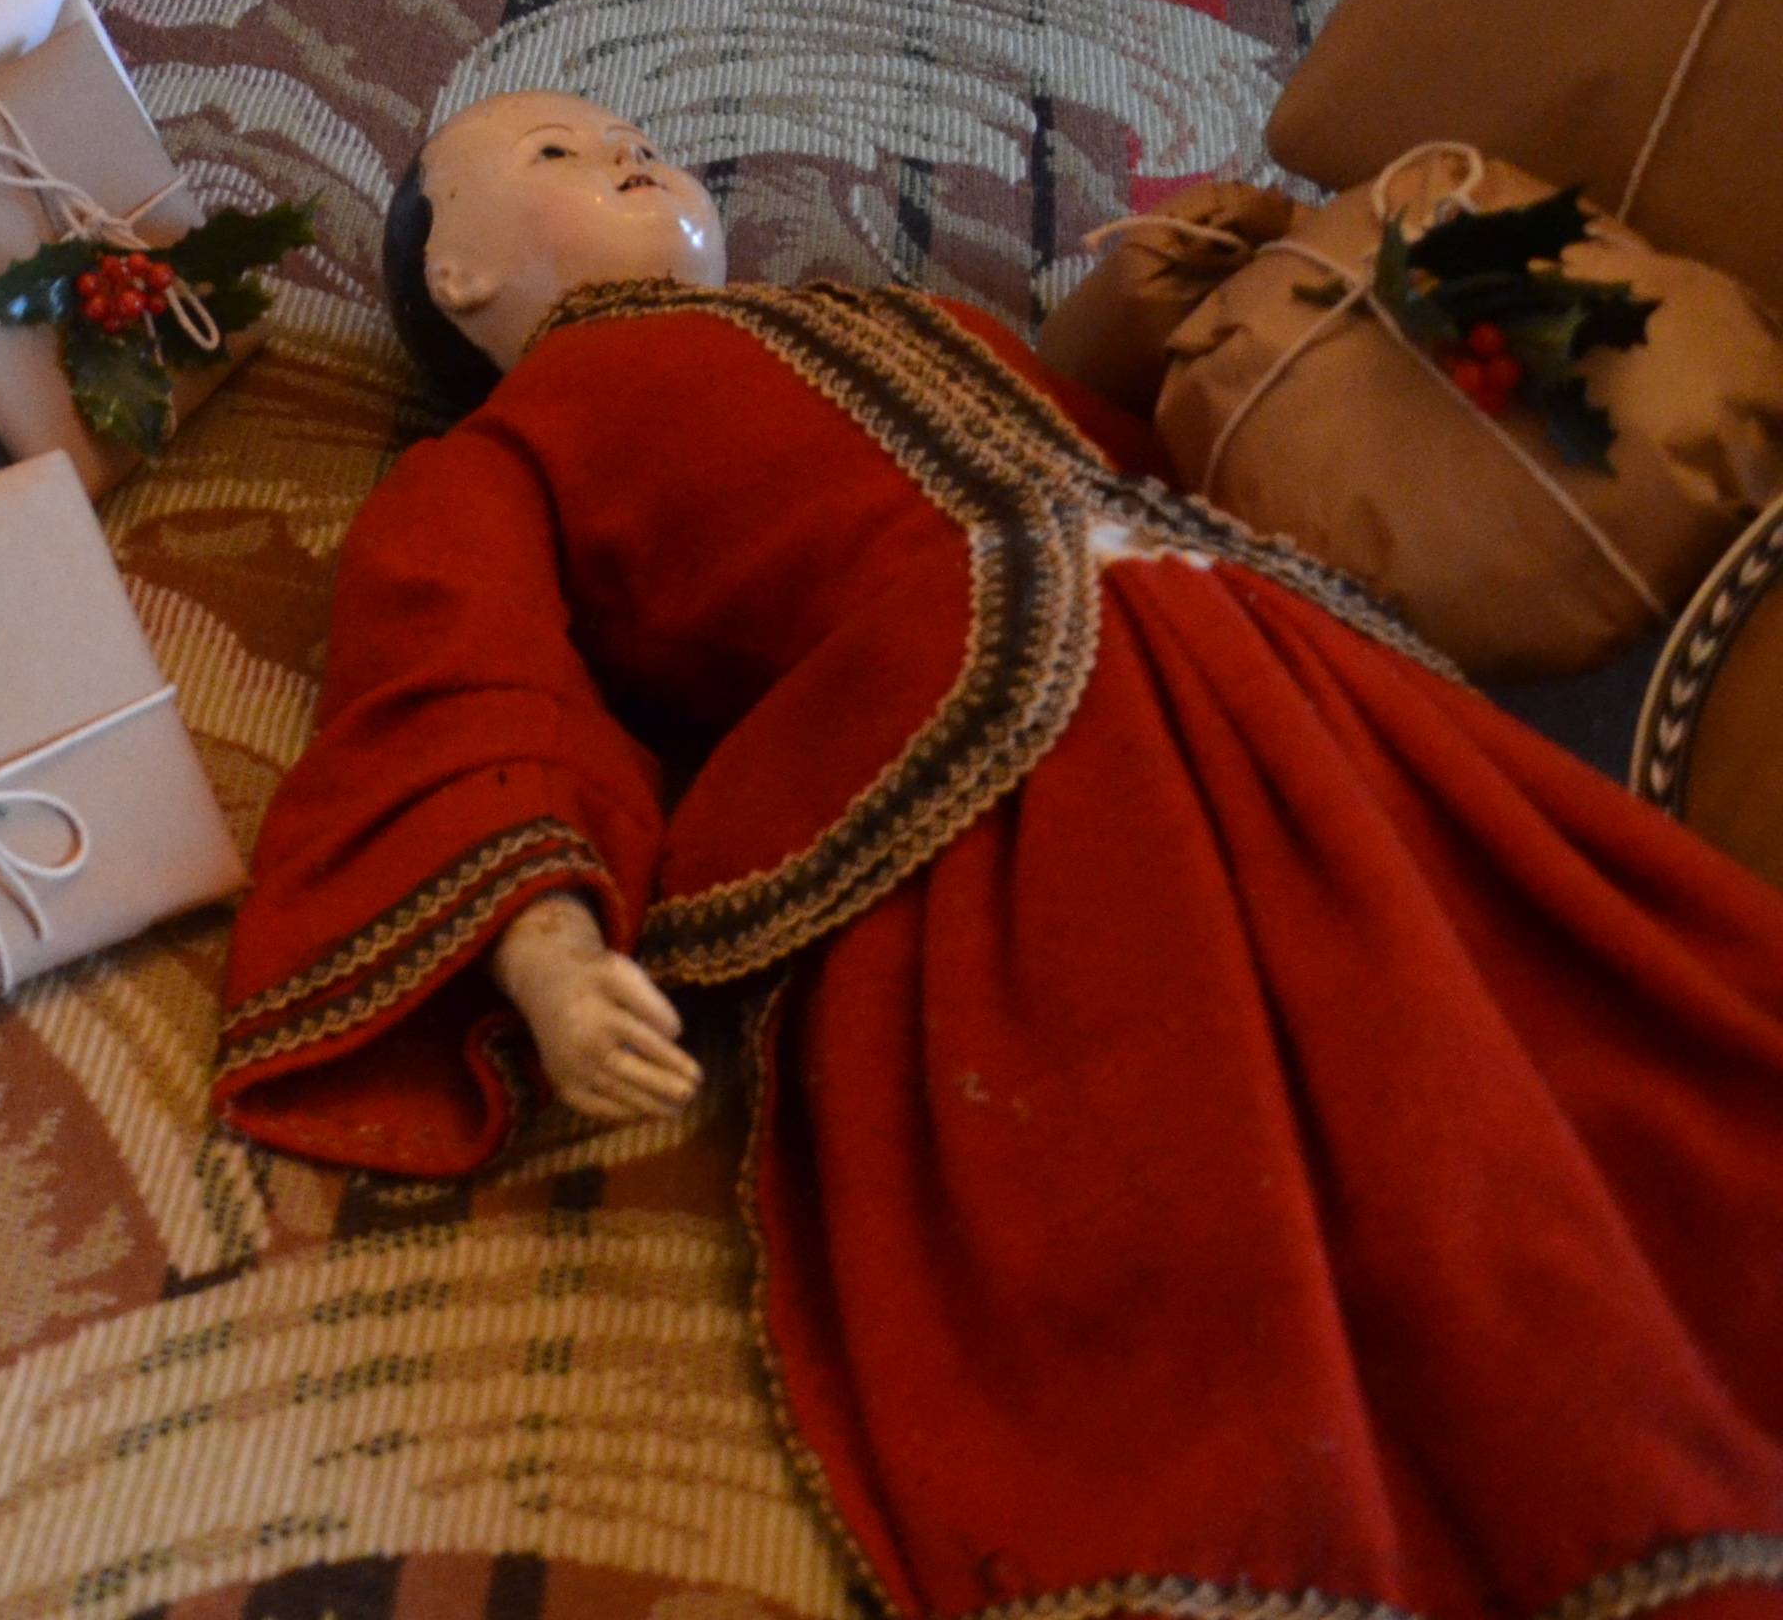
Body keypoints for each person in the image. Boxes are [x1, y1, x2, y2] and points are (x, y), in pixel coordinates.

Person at [218, 90, 1783, 1617]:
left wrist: (1190, 317)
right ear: (458, 274)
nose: (627, 150)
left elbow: (1136, 443)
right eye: (555, 152)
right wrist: (548, 942)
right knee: (1263, 1079)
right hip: (1000, 713)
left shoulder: (897, 312)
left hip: (1266, 641)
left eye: (636, 138)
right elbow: (459, 672)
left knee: (1537, 973)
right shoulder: (503, 453)